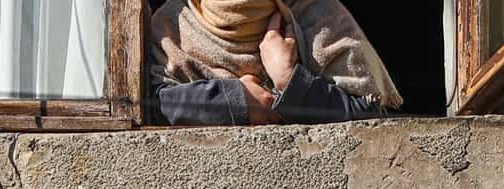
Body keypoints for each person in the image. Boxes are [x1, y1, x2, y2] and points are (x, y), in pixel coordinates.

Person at [150, 0, 404, 125]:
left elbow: (374, 121)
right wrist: (235, 100)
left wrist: (289, 79)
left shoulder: (318, 14)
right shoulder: (170, 27)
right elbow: (148, 107)